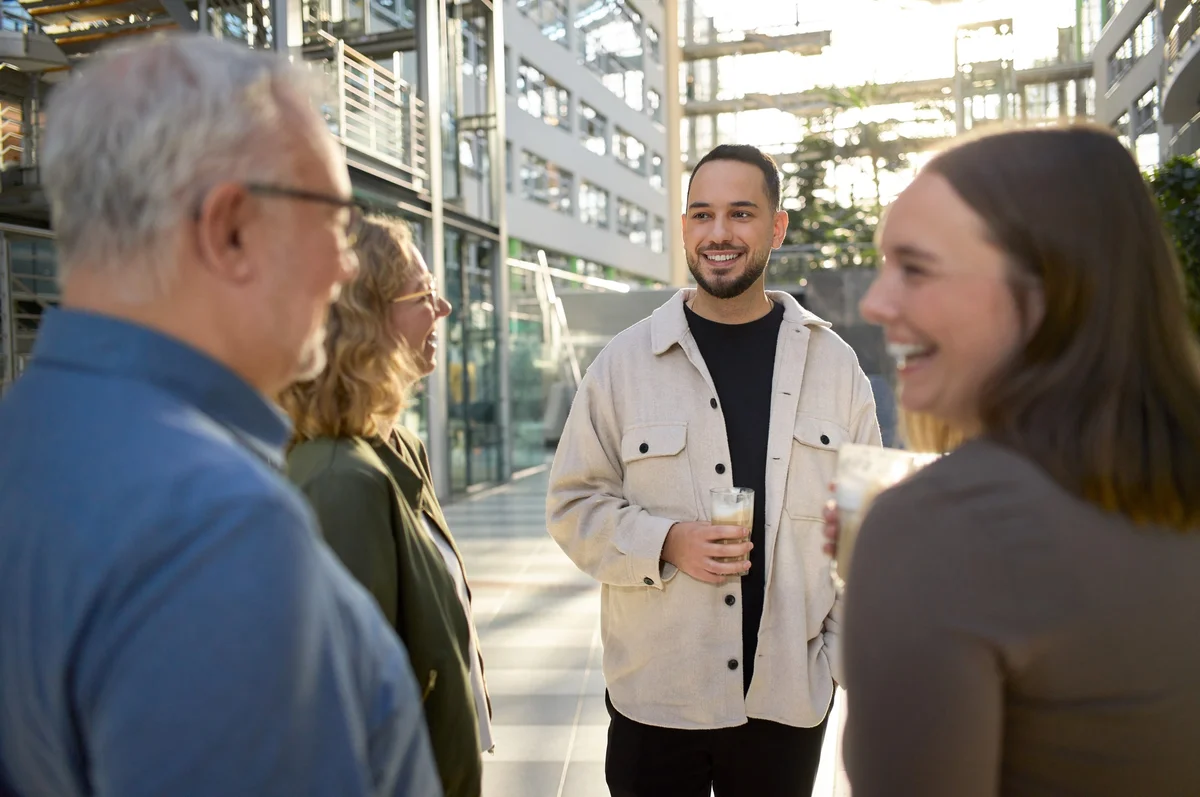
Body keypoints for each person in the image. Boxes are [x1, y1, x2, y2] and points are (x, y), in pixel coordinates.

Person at [0, 35, 441, 797]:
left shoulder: (30, 440)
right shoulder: (215, 526)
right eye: (334, 221)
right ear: (231, 229)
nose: (344, 267)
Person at [840, 124, 1200, 795]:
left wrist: (903, 552)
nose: (875, 301)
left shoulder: (936, 529)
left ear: (1050, 285)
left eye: (915, 267)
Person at [546, 143, 881, 797]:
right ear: (684, 227)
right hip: (657, 699)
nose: (719, 233)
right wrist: (666, 541)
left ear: (776, 227)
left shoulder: (836, 367)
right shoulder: (623, 364)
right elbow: (572, 505)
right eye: (702, 215)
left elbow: (868, 527)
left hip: (787, 702)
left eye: (740, 213)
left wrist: (834, 661)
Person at [280, 216, 491, 797]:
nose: (443, 307)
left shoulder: (400, 446)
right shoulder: (338, 480)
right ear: (365, 317)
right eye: (423, 295)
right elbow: (345, 712)